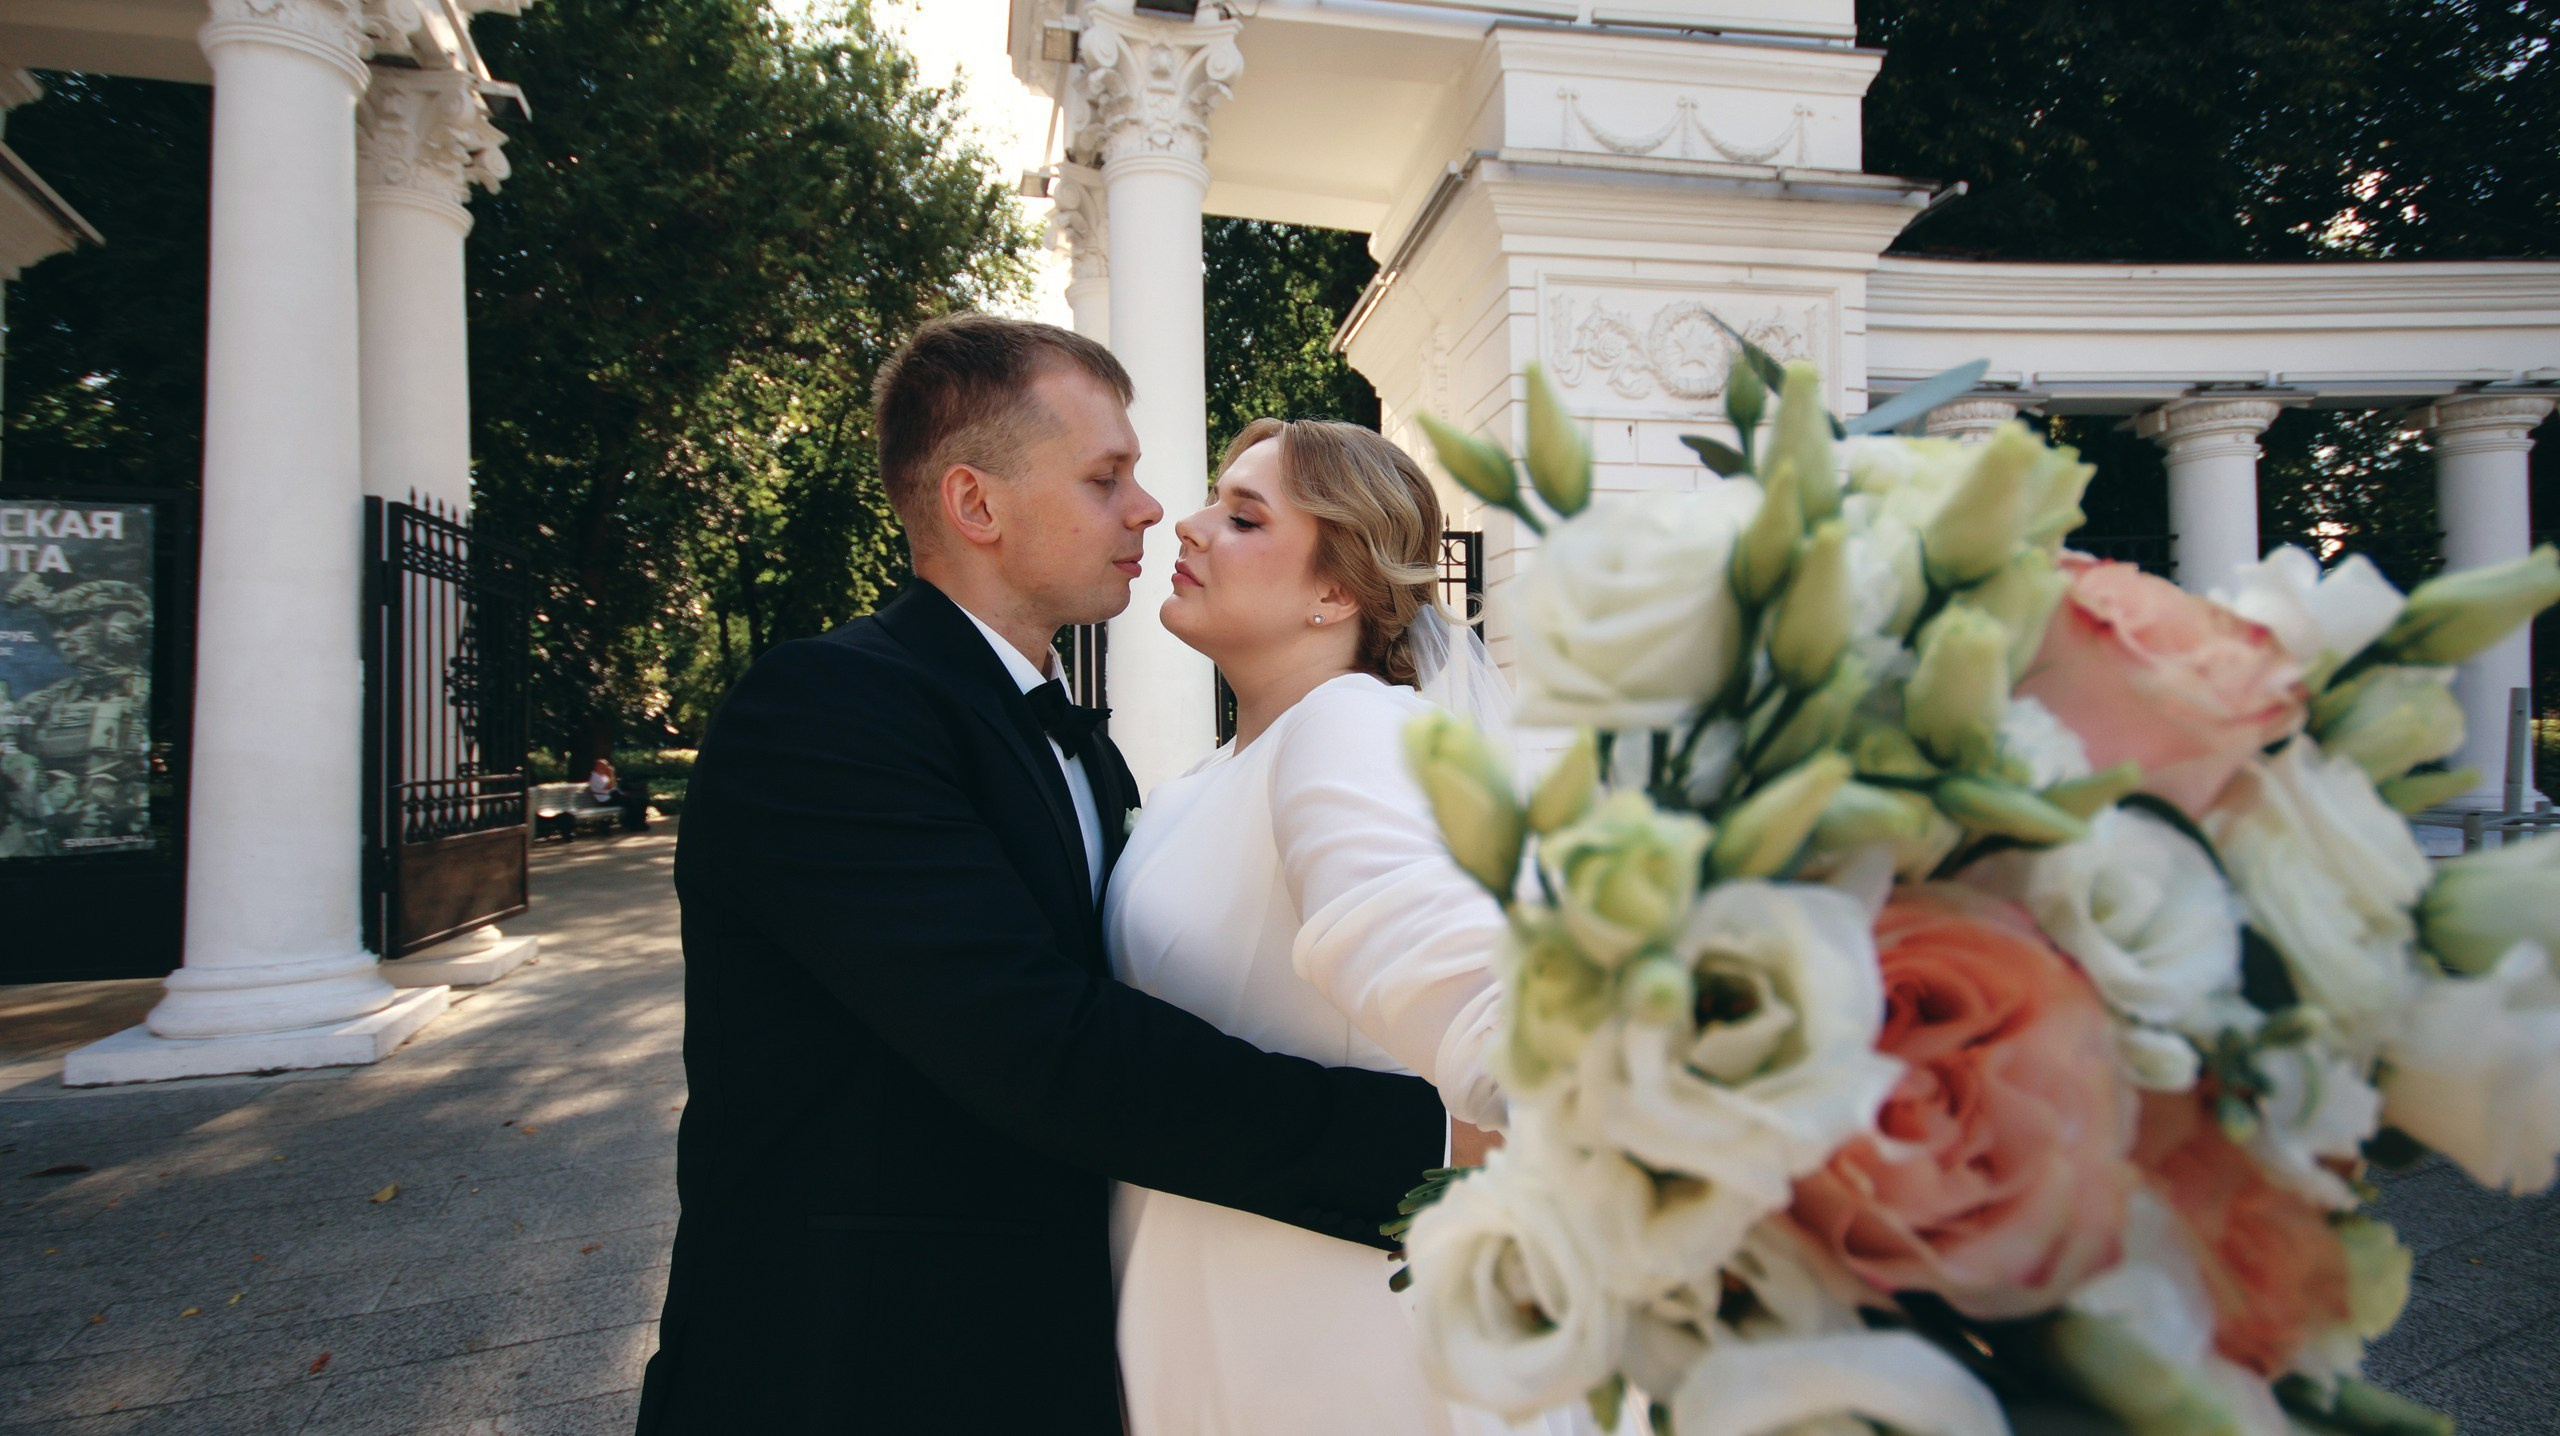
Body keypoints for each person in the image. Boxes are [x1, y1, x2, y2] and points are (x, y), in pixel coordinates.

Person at [635, 315, 1447, 1433]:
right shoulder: (826, 711)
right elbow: (1036, 1041)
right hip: (854, 1366)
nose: (1153, 510)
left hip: (1057, 1349)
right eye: (1107, 475)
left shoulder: (1081, 744)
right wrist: (1433, 1146)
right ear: (977, 504)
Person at [1108, 419, 1579, 1435]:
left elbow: (1414, 938)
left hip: (1321, 1332)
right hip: (1206, 1289)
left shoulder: (1348, 723)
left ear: (1337, 593)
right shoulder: (1200, 778)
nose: (1185, 526)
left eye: (1241, 515)